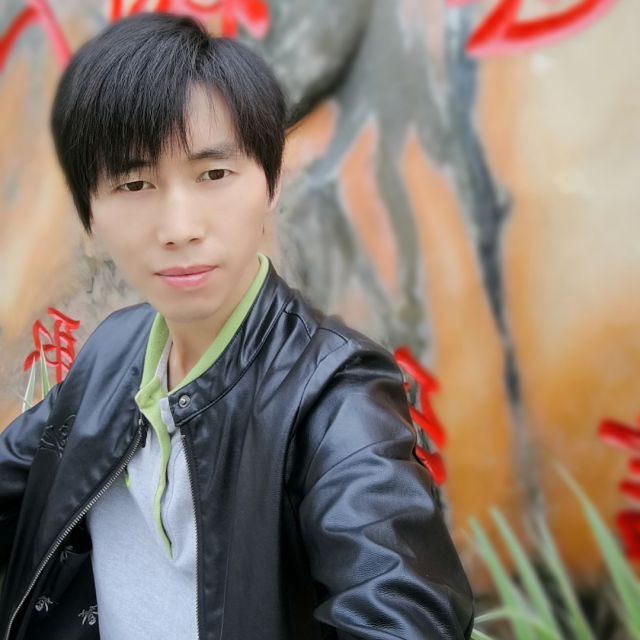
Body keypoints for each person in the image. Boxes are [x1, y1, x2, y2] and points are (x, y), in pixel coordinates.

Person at [0, 12, 474, 640]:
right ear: (92, 217)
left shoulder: (335, 395)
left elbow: (400, 609)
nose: (179, 228)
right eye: (135, 183)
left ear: (271, 184)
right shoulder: (113, 352)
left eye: (213, 175)